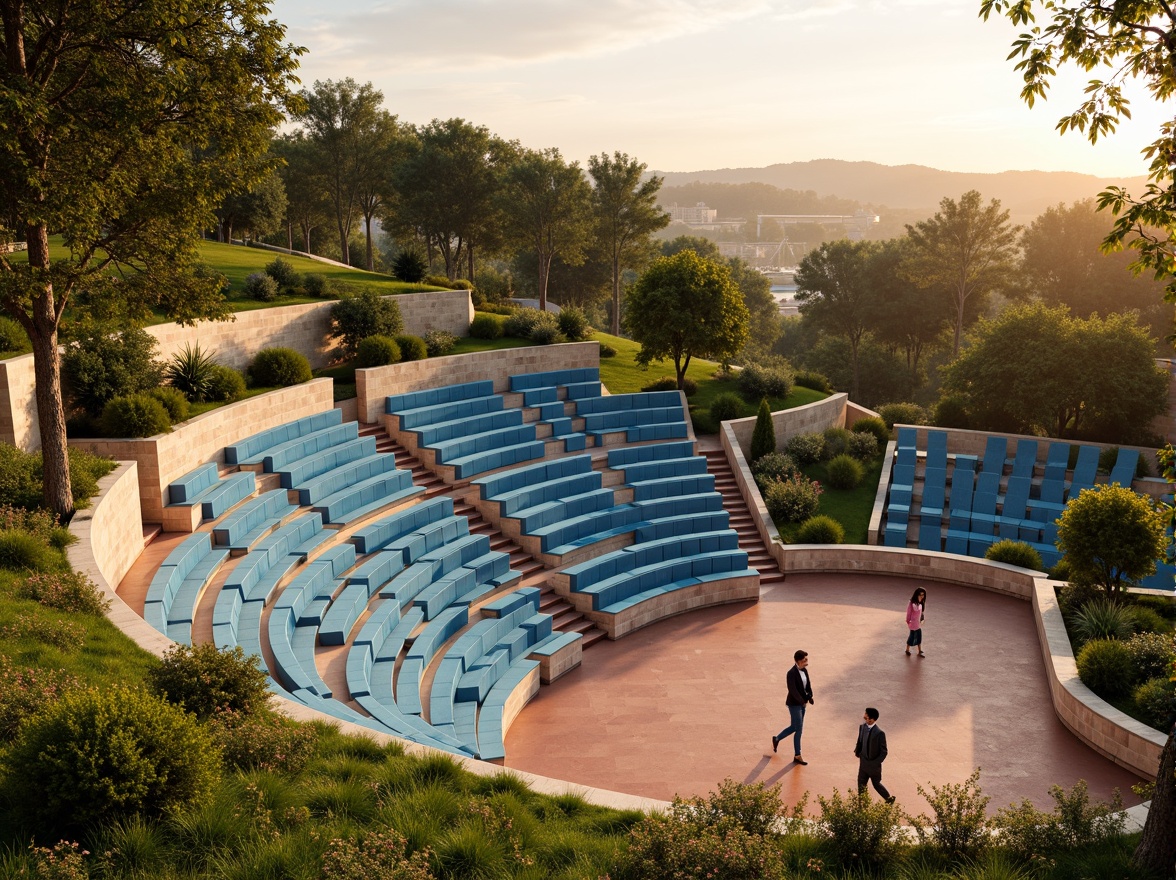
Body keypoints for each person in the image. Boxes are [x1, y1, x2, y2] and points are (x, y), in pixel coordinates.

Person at [771, 649, 813, 764]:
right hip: (794, 704)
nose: (806, 661)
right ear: (798, 661)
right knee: (798, 728)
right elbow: (793, 690)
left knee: (796, 727)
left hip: (803, 703)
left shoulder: (804, 670)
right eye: (805, 659)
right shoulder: (791, 673)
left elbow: (807, 685)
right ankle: (797, 755)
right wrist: (801, 701)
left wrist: (810, 696)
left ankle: (777, 738)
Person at [855, 707, 895, 803]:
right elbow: (860, 740)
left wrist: (875, 763)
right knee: (861, 785)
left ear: (871, 719)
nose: (864, 717)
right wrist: (857, 751)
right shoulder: (862, 727)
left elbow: (884, 752)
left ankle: (889, 799)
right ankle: (862, 806)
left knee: (876, 784)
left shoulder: (880, 733)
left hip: (874, 766)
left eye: (866, 716)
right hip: (863, 763)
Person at [905, 587, 926, 657]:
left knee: (919, 636)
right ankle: (907, 650)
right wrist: (908, 621)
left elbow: (921, 613)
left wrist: (922, 619)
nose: (921, 596)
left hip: (918, 623)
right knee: (912, 637)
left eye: (923, 595)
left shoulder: (921, 602)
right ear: (916, 594)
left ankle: (920, 651)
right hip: (913, 623)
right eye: (920, 595)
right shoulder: (912, 603)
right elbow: (909, 612)